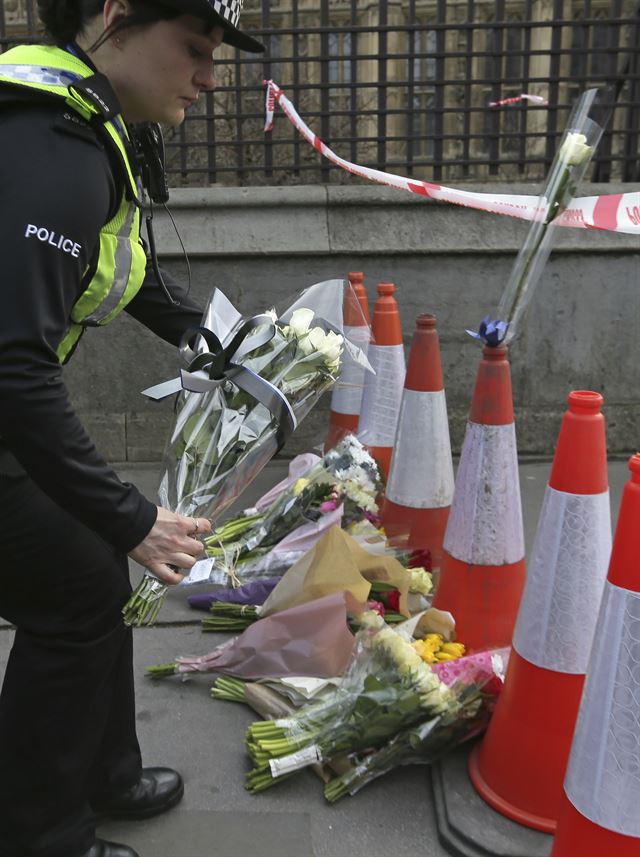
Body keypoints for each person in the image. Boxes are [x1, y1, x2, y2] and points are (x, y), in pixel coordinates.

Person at [0, 1, 263, 855]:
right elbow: (11, 365)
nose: (210, 77)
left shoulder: (80, 120)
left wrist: (212, 338)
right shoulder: (54, 150)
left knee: (88, 566)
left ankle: (106, 770)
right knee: (80, 586)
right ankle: (41, 833)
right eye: (194, 48)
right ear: (116, 15)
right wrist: (136, 517)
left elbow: (117, 263)